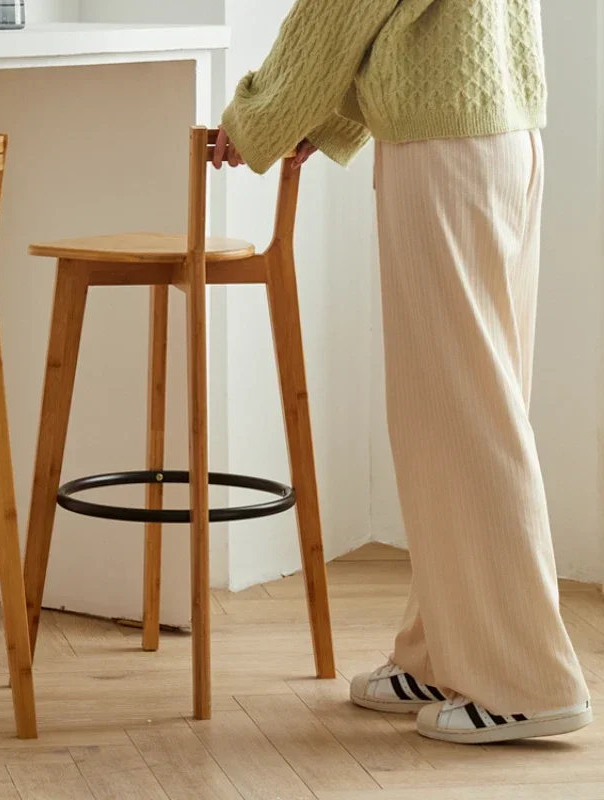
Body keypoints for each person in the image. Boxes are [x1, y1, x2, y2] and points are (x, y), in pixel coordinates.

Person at [214, 0, 592, 744]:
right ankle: (446, 651)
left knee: (462, 417)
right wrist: (327, 124)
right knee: (454, 410)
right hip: (498, 133)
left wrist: (263, 115)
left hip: (448, 146)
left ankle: (527, 680)